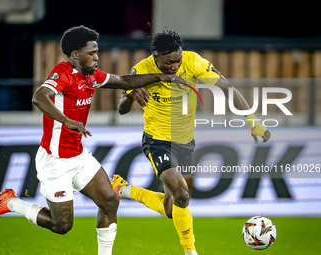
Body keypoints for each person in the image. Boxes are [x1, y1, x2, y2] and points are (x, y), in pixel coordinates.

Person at [0, 26, 186, 255]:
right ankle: (10, 203)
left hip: (78, 156)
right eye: (92, 53)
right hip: (55, 161)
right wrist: (65, 119)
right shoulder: (62, 73)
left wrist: (160, 76)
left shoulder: (92, 76)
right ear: (76, 54)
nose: (97, 57)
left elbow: (123, 80)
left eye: (97, 52)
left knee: (110, 201)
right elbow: (39, 97)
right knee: (62, 226)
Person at [111, 30, 271, 255]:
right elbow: (121, 109)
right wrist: (130, 94)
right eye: (169, 62)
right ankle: (190, 252)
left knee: (172, 207)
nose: (175, 66)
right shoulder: (142, 70)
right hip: (157, 140)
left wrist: (253, 121)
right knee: (182, 194)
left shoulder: (193, 61)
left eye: (178, 60)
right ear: (156, 57)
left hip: (185, 144)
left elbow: (226, 87)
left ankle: (124, 190)